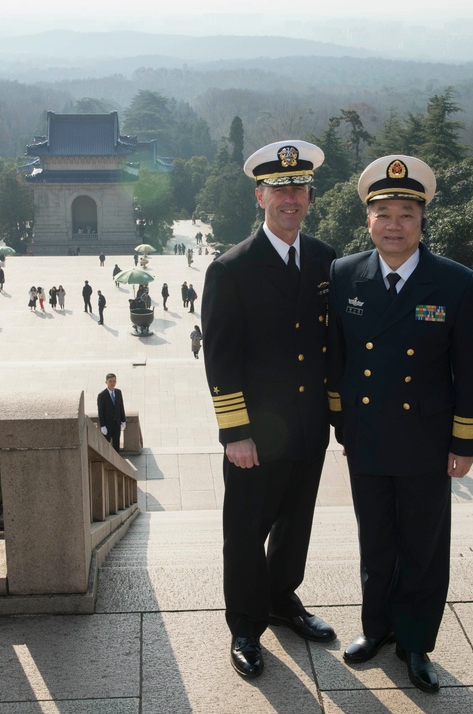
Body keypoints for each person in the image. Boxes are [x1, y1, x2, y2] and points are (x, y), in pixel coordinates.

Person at [328, 155, 473, 694]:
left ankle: (415, 642)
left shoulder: (455, 283)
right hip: (367, 436)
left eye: (406, 214)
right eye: (383, 213)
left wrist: (464, 440)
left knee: (422, 544)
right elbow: (339, 357)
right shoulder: (346, 274)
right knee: (376, 540)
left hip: (425, 440)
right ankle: (378, 629)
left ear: (422, 221)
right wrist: (340, 423)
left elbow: (469, 368)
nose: (394, 224)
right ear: (367, 221)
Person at [202, 140, 338, 680]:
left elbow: (333, 348)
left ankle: (283, 599)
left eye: (299, 188)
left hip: (309, 426)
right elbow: (221, 359)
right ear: (260, 195)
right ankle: (245, 626)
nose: (290, 198)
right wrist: (235, 432)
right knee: (245, 530)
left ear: (310, 196)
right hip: (255, 434)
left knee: (295, 524)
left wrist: (339, 415)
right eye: (279, 188)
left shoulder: (328, 259)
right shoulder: (231, 268)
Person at [96, 373, 126, 451]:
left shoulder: (118, 392)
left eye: (114, 381)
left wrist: (123, 420)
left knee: (116, 444)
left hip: (117, 424)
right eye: (110, 381)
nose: (112, 383)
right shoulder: (102, 395)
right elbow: (100, 411)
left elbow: (121, 407)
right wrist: (102, 425)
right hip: (107, 425)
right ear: (106, 382)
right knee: (106, 446)